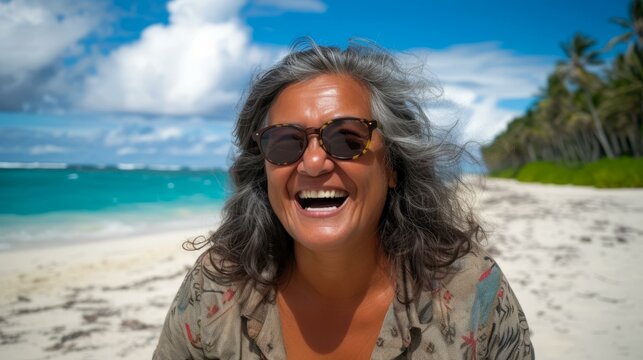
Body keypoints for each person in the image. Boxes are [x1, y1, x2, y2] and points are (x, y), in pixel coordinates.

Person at [153, 40, 534, 360]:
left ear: (392, 166)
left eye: (348, 139)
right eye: (285, 142)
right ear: (264, 170)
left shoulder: (473, 293)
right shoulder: (217, 287)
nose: (314, 162)